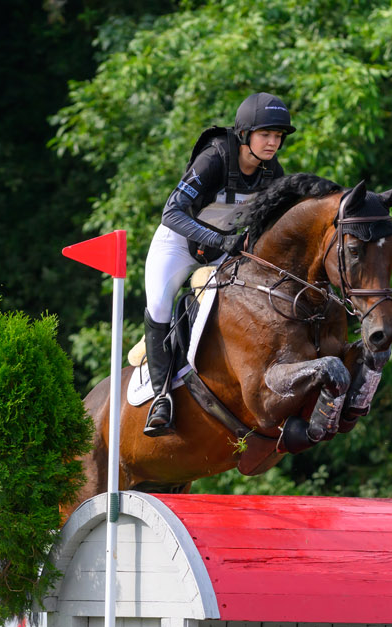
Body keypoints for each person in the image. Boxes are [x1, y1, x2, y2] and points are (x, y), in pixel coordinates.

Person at [141, 92, 295, 436]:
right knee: (160, 305)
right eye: (266, 134)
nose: (273, 143)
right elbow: (171, 212)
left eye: (278, 136)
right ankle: (160, 398)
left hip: (224, 250)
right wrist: (220, 241)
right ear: (245, 134)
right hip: (178, 243)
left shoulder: (273, 172)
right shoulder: (214, 158)